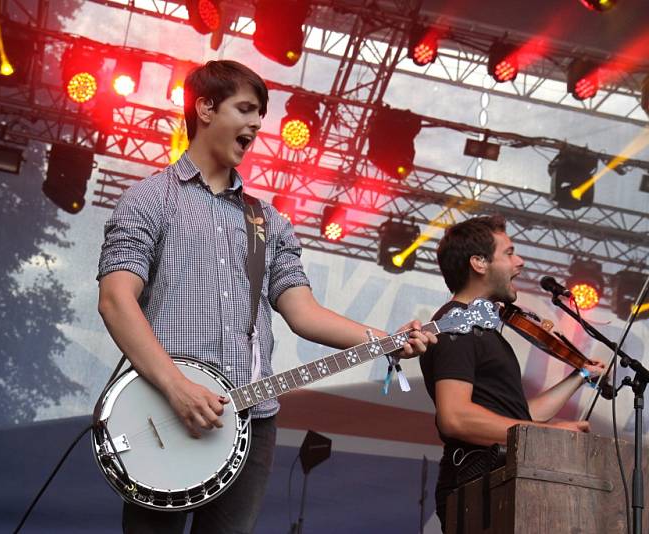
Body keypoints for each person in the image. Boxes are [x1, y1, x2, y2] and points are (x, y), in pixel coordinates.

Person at [96, 59, 437, 534]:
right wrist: (176, 386)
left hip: (250, 423)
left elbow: (304, 313)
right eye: (246, 109)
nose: (258, 124)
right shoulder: (150, 200)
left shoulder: (268, 222)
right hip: (165, 412)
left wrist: (386, 341)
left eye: (261, 113)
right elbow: (115, 300)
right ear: (206, 109)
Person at [418, 215, 604, 531]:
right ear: (479, 263)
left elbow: (519, 416)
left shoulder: (482, 330)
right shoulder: (456, 326)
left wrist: (581, 376)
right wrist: (548, 435)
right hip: (477, 481)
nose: (519, 261)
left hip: (500, 479)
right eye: (509, 253)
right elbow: (455, 417)